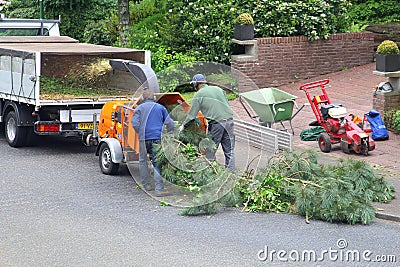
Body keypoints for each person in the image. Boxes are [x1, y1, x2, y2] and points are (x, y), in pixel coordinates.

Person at [180, 74, 235, 171]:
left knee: (210, 152)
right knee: (229, 151)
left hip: (216, 124)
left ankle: (212, 173)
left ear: (196, 84)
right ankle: (231, 175)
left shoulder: (199, 95)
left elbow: (192, 115)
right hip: (229, 121)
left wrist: (183, 126)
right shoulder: (218, 89)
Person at [132, 89, 174, 196]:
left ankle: (147, 185)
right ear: (154, 98)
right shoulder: (160, 108)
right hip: (157, 138)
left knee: (143, 161)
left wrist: (141, 132)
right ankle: (159, 189)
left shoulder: (139, 108)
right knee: (156, 162)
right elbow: (170, 123)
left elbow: (135, 124)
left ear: (142, 99)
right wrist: (168, 134)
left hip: (143, 139)